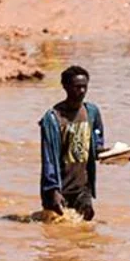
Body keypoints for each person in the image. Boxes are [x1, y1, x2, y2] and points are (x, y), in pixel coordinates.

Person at [39, 65, 105, 220]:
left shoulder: (91, 112)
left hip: (82, 186)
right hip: (59, 188)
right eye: (77, 87)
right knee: (55, 232)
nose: (81, 91)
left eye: (84, 87)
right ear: (65, 87)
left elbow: (96, 145)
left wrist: (112, 154)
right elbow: (48, 158)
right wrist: (53, 190)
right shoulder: (53, 118)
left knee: (85, 230)